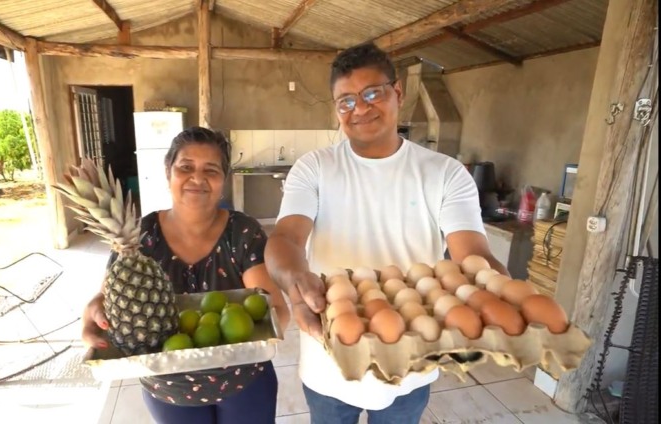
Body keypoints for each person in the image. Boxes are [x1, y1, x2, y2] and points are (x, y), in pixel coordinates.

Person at [264, 43, 509, 424]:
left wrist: (493, 287)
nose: (359, 109)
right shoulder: (315, 168)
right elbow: (286, 238)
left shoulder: (445, 173)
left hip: (411, 362)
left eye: (371, 94)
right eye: (346, 101)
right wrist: (295, 280)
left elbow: (471, 252)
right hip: (331, 360)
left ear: (397, 92)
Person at [82, 126, 290, 424]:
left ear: (223, 179)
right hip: (168, 389)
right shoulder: (138, 238)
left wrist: (254, 337)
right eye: (186, 167)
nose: (197, 178)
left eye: (211, 170)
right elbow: (105, 299)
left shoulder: (243, 232)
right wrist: (94, 311)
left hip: (244, 381)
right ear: (168, 173)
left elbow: (275, 309)